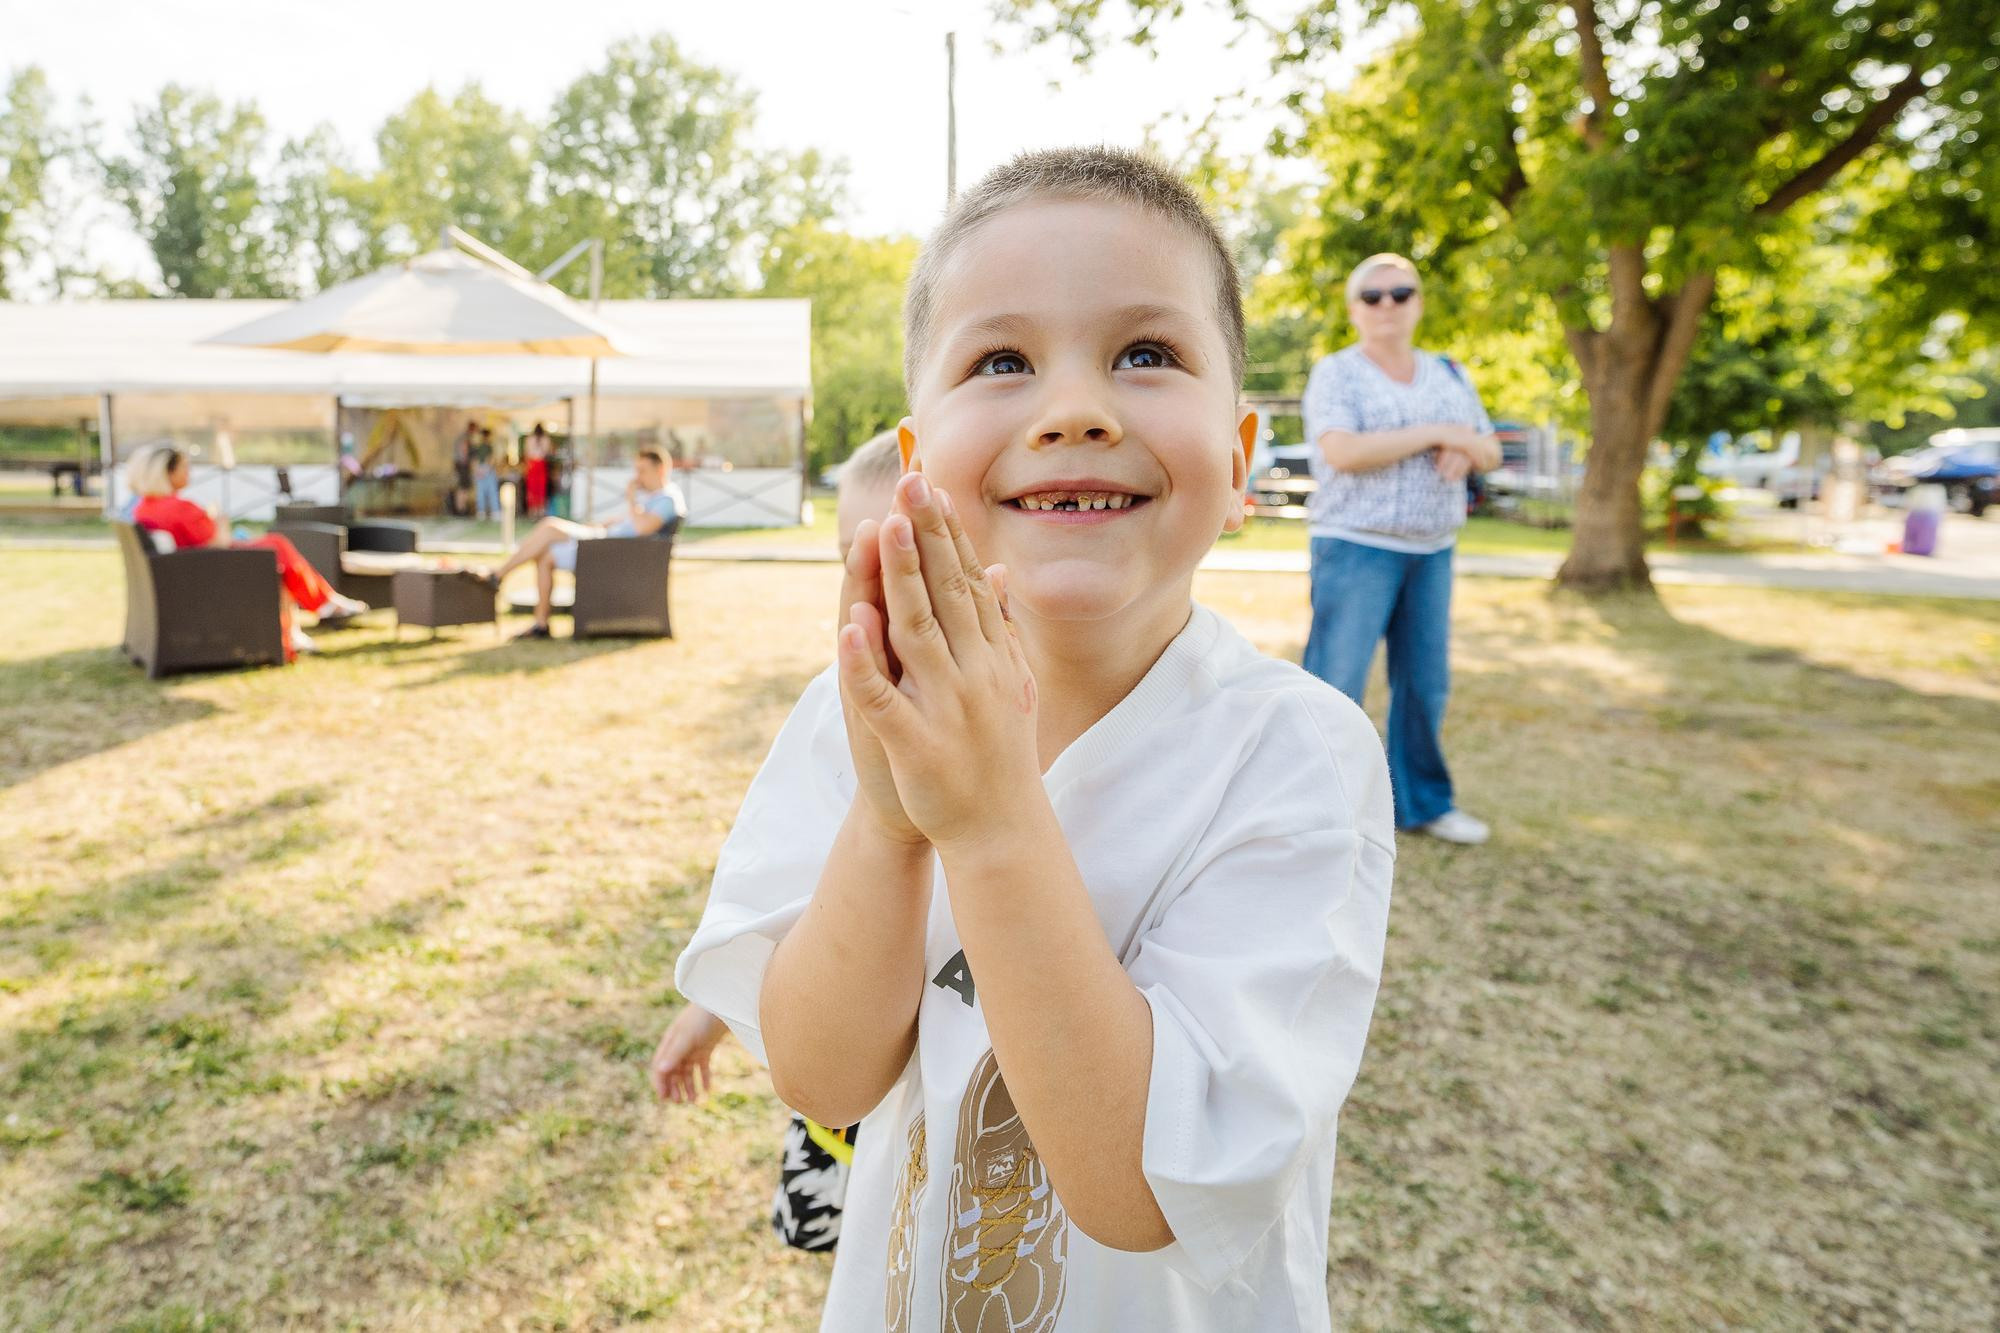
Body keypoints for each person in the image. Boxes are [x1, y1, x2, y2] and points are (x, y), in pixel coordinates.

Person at [675, 147, 1394, 1332]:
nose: (1074, 410)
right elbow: (823, 1077)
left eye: (1146, 355)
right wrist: (892, 823)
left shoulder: (1292, 754)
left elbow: (1135, 1186)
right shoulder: (852, 711)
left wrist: (990, 817)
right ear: (914, 462)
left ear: (1241, 453)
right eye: (1000, 361)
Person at [649, 427, 905, 1254]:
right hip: (849, 1075)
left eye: (905, 556)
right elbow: (792, 894)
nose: (875, 589)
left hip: (960, 1077)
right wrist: (710, 1012)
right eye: (849, 559)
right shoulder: (834, 710)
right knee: (868, 1252)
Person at [1299, 253, 1501, 845]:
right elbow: (1342, 452)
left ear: (1417, 303)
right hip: (1356, 546)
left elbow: (1489, 447)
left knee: (1425, 682)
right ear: (1353, 309)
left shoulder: (1449, 373)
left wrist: (1469, 448)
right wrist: (1441, 433)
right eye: (1372, 295)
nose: (1387, 304)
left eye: (1400, 292)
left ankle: (1422, 803)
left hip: (1432, 548)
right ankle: (1316, 810)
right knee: (1336, 681)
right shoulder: (1337, 373)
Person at [125, 444, 368, 658]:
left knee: (276, 548)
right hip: (214, 570)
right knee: (276, 549)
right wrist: (219, 520)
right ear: (168, 472)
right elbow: (218, 542)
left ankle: (313, 614)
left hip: (191, 570)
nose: (190, 473)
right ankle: (322, 605)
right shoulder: (179, 508)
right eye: (185, 468)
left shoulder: (144, 508)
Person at [483, 448, 684, 639]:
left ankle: (498, 575)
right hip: (605, 542)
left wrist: (631, 499)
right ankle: (540, 625)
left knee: (550, 526)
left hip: (610, 552)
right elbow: (629, 521)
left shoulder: (667, 499)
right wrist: (598, 525)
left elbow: (642, 528)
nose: (637, 477)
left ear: (660, 470)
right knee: (545, 556)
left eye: (642, 470)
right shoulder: (654, 498)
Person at [522, 423, 552, 518]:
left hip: (533, 465)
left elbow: (526, 453)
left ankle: (533, 512)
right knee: (539, 489)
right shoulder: (545, 439)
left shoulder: (530, 439)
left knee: (534, 489)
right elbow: (548, 452)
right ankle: (539, 511)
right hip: (540, 464)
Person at [470, 427, 500, 520]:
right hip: (487, 470)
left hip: (478, 469)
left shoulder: (476, 446)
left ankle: (481, 512)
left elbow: (473, 460)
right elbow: (490, 459)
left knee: (480, 493)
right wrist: (486, 470)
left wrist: (476, 471)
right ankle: (495, 512)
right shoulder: (488, 446)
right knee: (492, 492)